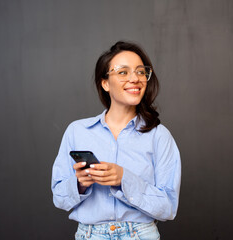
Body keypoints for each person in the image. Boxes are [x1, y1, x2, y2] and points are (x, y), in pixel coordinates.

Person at [51, 41, 181, 240]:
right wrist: (80, 184)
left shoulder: (159, 136)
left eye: (140, 71)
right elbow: (59, 198)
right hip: (89, 235)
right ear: (105, 83)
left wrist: (124, 179)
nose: (134, 78)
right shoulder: (77, 131)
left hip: (141, 235)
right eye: (123, 72)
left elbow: (168, 208)